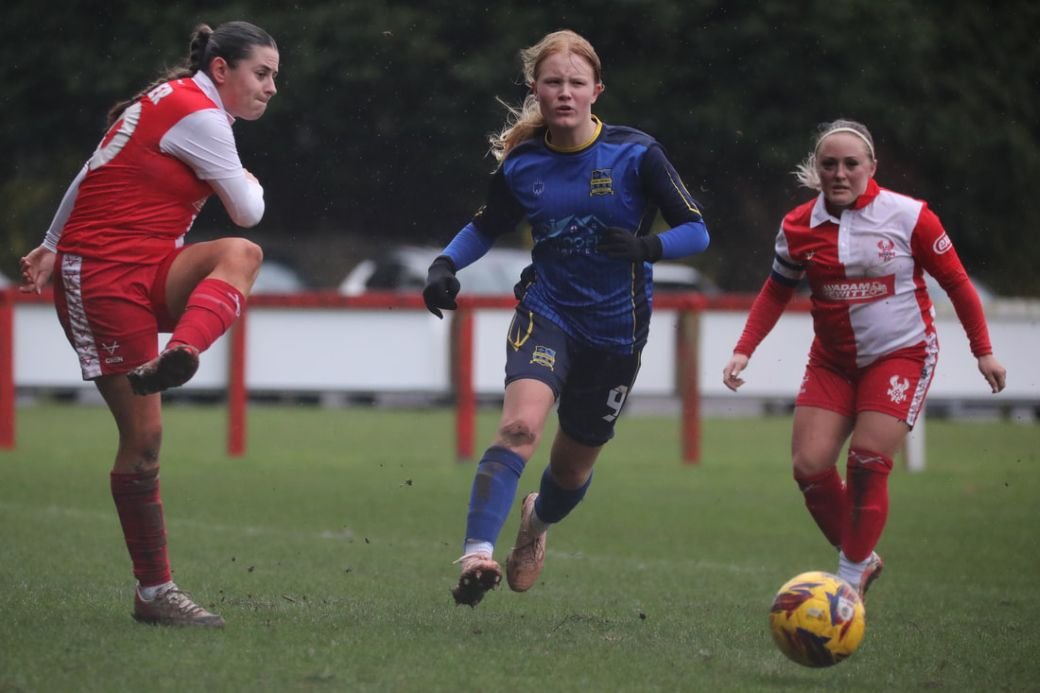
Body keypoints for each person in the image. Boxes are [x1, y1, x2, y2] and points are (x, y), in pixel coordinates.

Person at [422, 29, 710, 607]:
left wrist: (646, 249)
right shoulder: (523, 162)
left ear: (596, 90)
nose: (564, 92)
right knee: (519, 428)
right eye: (553, 82)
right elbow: (485, 226)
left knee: (571, 473)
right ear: (536, 90)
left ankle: (536, 521)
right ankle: (477, 552)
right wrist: (444, 263)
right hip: (547, 312)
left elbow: (697, 230)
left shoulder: (637, 154)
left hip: (617, 333)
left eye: (576, 83)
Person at [18, 21, 279, 627]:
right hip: (103, 279)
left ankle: (180, 353)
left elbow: (92, 166)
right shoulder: (202, 116)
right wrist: (61, 248)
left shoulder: (167, 102)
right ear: (222, 70)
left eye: (274, 76)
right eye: (261, 73)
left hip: (147, 265)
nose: (271, 88)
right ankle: (155, 592)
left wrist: (51, 239)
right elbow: (248, 208)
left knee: (239, 254)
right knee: (144, 440)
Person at [721, 119, 1007, 600]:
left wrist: (984, 351)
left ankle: (847, 584)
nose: (839, 173)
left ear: (871, 167)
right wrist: (744, 348)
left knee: (868, 460)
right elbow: (775, 291)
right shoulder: (797, 226)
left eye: (851, 164)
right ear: (816, 168)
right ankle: (862, 557)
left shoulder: (910, 216)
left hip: (902, 353)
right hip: (832, 361)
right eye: (828, 164)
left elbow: (957, 282)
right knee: (810, 467)